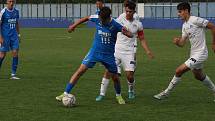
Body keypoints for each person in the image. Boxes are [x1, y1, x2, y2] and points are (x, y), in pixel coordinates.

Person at [56, 7, 134, 104]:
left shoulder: (116, 25)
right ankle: (65, 92)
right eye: (100, 19)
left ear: (108, 17)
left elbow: (130, 35)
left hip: (108, 55)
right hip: (94, 52)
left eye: (103, 20)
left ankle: (118, 96)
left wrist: (128, 32)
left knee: (115, 77)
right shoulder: (97, 18)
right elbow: (86, 18)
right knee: (80, 71)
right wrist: (73, 25)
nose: (101, 21)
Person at [153, 2, 215, 101]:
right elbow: (182, 43)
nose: (178, 14)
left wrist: (214, 43)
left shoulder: (195, 20)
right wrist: (177, 42)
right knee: (198, 75)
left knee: (179, 70)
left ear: (186, 11)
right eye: (178, 12)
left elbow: (212, 26)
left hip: (201, 53)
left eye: (180, 12)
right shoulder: (184, 25)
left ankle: (166, 93)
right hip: (194, 53)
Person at [96, 1, 154, 101]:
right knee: (108, 72)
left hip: (129, 52)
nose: (128, 13)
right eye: (126, 11)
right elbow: (107, 23)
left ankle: (131, 90)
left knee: (129, 76)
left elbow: (142, 38)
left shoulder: (138, 24)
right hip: (116, 50)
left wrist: (147, 51)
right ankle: (102, 94)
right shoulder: (119, 19)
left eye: (130, 12)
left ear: (134, 12)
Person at [0, 0, 21, 79]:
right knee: (2, 55)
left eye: (12, 1)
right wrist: (0, 37)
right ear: (7, 2)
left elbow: (17, 23)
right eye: (10, 1)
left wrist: (19, 35)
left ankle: (13, 74)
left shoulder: (16, 11)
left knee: (15, 53)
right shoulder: (3, 12)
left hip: (14, 36)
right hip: (5, 37)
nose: (11, 3)